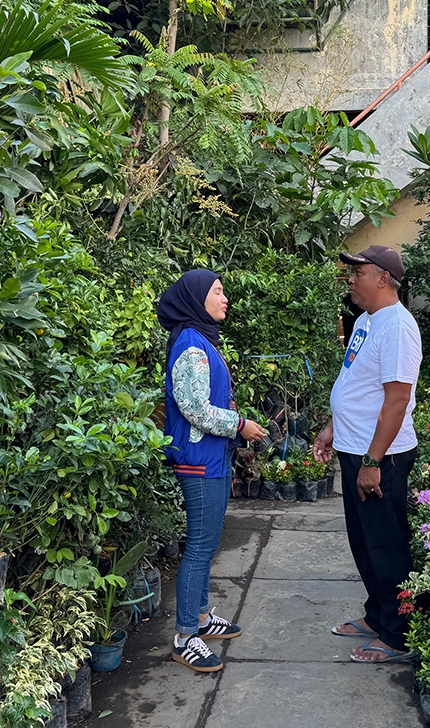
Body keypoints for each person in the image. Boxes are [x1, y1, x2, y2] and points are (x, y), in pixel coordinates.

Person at [312, 246, 422, 664]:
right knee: (364, 543)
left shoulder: (398, 327)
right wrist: (331, 427)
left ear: (383, 278)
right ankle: (377, 617)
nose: (351, 278)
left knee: (388, 546)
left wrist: (374, 462)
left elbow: (396, 401)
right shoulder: (365, 322)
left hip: (383, 457)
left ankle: (398, 636)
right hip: (355, 449)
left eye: (358, 271)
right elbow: (354, 385)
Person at [158, 269, 267, 673]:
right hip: (199, 462)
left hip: (213, 459)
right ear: (196, 297)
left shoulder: (202, 340)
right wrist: (241, 425)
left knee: (208, 543)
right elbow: (196, 410)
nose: (225, 298)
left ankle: (202, 619)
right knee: (201, 547)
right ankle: (186, 636)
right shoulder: (190, 345)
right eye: (218, 291)